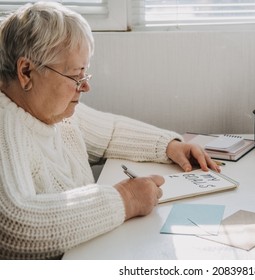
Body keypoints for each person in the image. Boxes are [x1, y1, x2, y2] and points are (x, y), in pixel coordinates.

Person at [0, 2, 220, 260]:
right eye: (75, 76)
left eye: (85, 74)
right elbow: (14, 225)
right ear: (26, 72)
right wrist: (126, 198)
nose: (85, 87)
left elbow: (111, 132)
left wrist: (170, 146)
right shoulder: (7, 128)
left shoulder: (53, 113)